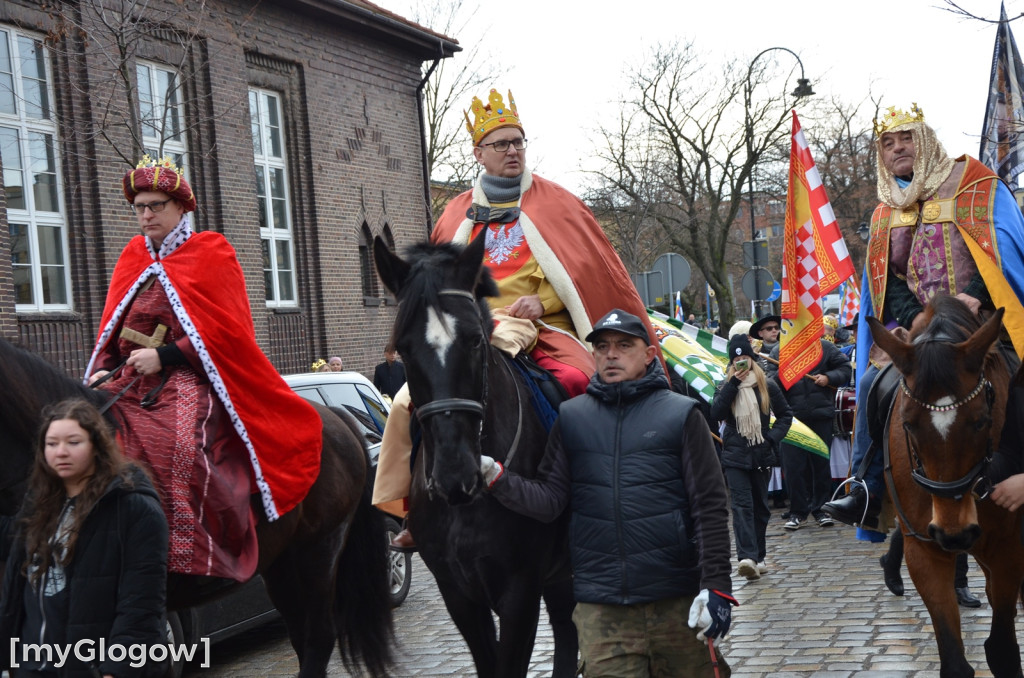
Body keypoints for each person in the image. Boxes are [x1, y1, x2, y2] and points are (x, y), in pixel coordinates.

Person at [374, 89, 659, 546]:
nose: (513, 150)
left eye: (518, 142)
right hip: (473, 328)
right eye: (502, 144)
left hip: (544, 327)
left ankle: (597, 496)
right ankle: (413, 512)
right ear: (479, 153)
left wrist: (541, 303)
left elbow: (584, 278)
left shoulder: (559, 206)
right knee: (407, 403)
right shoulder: (454, 214)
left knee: (580, 385)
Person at [84, 156, 323, 583]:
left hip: (190, 376)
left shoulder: (211, 252)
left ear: (181, 207)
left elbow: (230, 334)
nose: (146, 215)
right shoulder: (132, 256)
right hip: (130, 377)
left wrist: (165, 357)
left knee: (173, 443)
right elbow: (111, 330)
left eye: (156, 205)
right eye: (139, 207)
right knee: (79, 431)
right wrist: (103, 370)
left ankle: (187, 554)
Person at [482, 309, 735, 676]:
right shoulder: (572, 417)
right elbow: (551, 501)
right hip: (602, 611)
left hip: (676, 602)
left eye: (623, 345)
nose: (611, 354)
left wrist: (717, 588)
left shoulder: (681, 415)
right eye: (602, 347)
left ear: (648, 355)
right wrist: (497, 478)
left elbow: (709, 507)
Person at [822, 103, 1024, 527]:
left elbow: (1002, 250)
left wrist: (974, 295)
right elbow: (886, 277)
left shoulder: (977, 185)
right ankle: (865, 487)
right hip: (921, 332)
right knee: (871, 383)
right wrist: (915, 316)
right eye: (888, 143)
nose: (898, 149)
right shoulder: (884, 210)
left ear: (926, 140)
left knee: (1020, 373)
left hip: (983, 325)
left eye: (906, 138)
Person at [0, 399, 169, 678]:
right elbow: (14, 545)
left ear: (96, 445)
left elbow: (141, 604)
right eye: (52, 444)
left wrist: (116, 670)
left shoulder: (132, 507)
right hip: (31, 667)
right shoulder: (41, 503)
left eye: (73, 442)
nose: (61, 452)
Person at [710, 334, 791, 581]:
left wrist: (770, 438)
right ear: (731, 363)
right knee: (741, 506)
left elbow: (786, 415)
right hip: (735, 455)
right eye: (737, 360)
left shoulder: (767, 384)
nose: (741, 363)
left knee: (760, 507)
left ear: (752, 359)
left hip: (761, 453)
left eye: (745, 358)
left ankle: (759, 556)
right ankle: (747, 557)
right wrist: (733, 385)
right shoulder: (725, 387)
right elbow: (716, 413)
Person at [766, 333, 851, 530]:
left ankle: (821, 509)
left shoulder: (825, 348)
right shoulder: (779, 351)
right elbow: (771, 383)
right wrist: (786, 373)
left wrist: (828, 377)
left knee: (820, 465)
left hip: (820, 415)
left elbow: (845, 369)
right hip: (790, 418)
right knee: (793, 467)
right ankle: (797, 512)